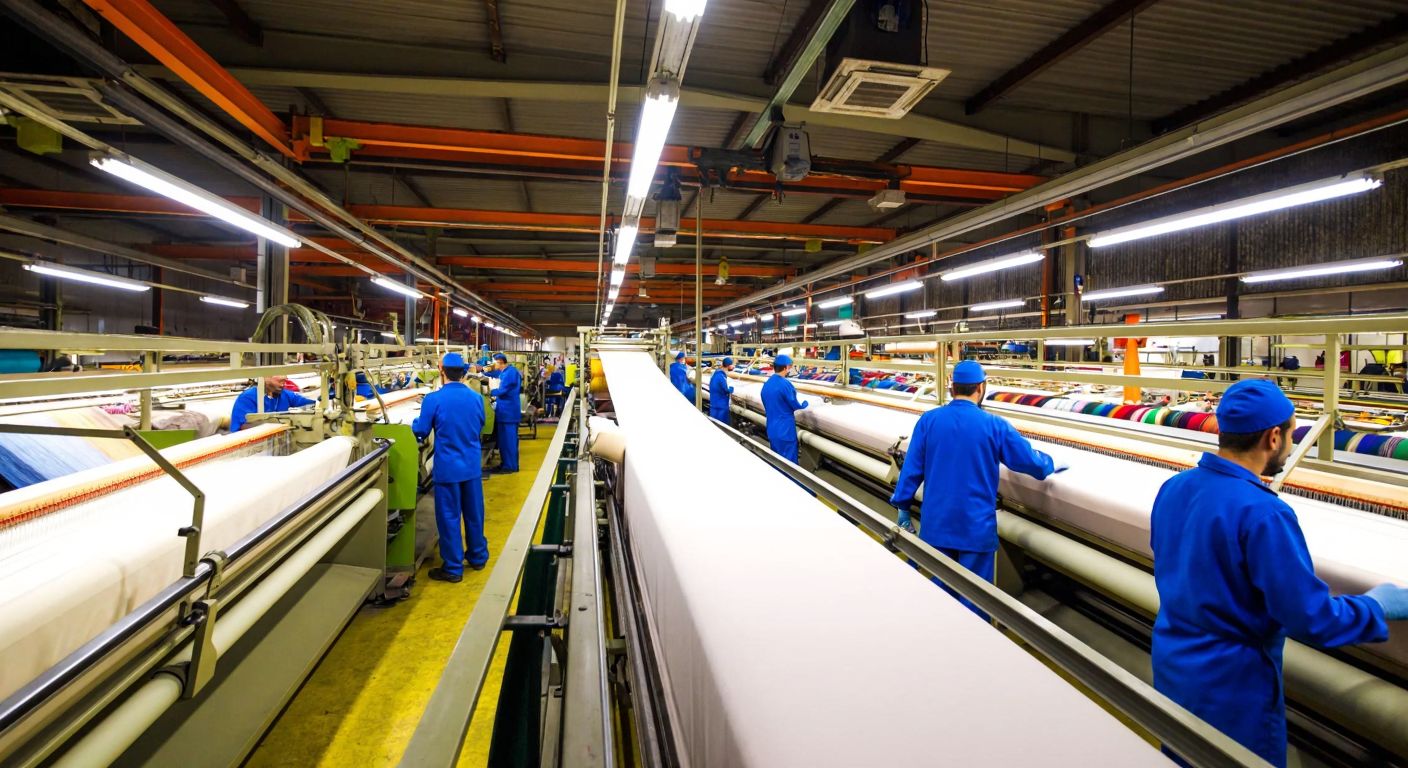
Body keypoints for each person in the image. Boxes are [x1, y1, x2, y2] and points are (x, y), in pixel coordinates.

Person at [1149, 379, 1406, 767]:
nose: (1290, 444)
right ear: (1273, 437)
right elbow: (1311, 618)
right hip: (1233, 688)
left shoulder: (1175, 486)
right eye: (1291, 434)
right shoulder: (1264, 513)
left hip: (1174, 666)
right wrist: (1376, 606)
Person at [889, 360, 1065, 616]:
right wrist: (1050, 464)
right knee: (976, 605)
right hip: (975, 529)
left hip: (937, 526)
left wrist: (903, 506)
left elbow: (912, 469)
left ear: (952, 388)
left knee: (938, 601)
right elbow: (1031, 464)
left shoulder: (929, 421)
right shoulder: (994, 425)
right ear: (982, 388)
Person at [411, 353, 488, 583]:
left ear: (441, 370)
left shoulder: (433, 399)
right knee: (474, 514)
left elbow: (422, 430)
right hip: (472, 466)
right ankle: (477, 557)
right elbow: (480, 424)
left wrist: (415, 422)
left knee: (449, 517)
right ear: (464, 372)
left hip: (448, 469)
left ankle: (453, 568)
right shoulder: (476, 398)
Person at [759, 354, 809, 462]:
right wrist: (803, 405)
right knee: (789, 463)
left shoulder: (767, 384)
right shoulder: (785, 384)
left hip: (772, 428)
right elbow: (793, 403)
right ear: (786, 367)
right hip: (785, 430)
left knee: (777, 460)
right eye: (789, 367)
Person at [229, 375, 316, 432]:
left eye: (284, 381)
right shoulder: (247, 398)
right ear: (266, 378)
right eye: (280, 381)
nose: (283, 385)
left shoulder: (284, 394)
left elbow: (308, 403)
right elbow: (243, 427)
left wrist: (323, 400)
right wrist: (278, 425)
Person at [488, 353, 521, 473]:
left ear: (500, 362)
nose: (493, 365)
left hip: (509, 413)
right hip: (504, 412)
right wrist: (481, 371)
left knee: (509, 441)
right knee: (504, 441)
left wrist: (490, 392)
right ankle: (505, 464)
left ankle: (510, 466)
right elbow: (494, 374)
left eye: (494, 362)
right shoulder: (504, 371)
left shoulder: (510, 373)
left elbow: (502, 391)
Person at [708, 357, 735, 424]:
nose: (733, 366)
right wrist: (731, 389)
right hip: (721, 405)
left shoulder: (715, 373)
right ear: (729, 365)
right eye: (732, 365)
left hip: (714, 403)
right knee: (722, 425)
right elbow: (726, 390)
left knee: (714, 423)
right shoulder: (721, 376)